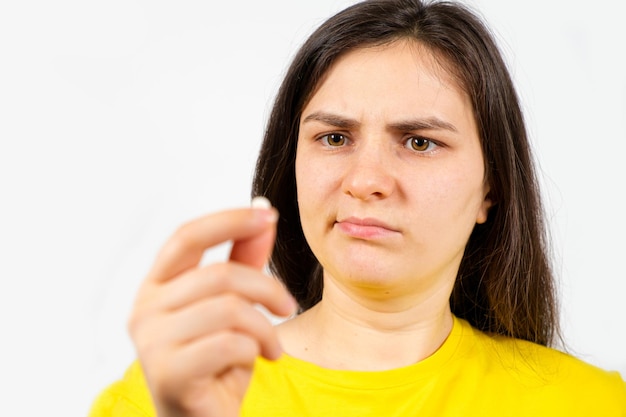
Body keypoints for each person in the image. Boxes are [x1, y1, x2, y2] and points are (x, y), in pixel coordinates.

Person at [89, 0, 626, 416]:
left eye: (419, 142)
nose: (366, 181)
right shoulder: (161, 397)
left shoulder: (592, 402)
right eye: (335, 137)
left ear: (491, 190)